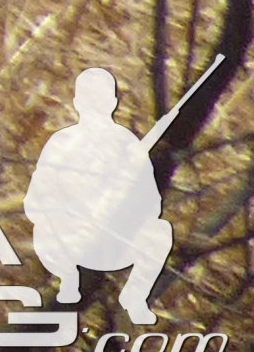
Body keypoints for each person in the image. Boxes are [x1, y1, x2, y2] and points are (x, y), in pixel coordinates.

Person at [26, 68, 172, 323]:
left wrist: (123, 206)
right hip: (67, 240)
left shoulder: (128, 145)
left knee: (160, 233)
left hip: (113, 239)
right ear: (77, 103)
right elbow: (36, 202)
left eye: (103, 100)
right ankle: (67, 286)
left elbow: (152, 203)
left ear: (114, 103)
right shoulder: (62, 144)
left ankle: (134, 299)